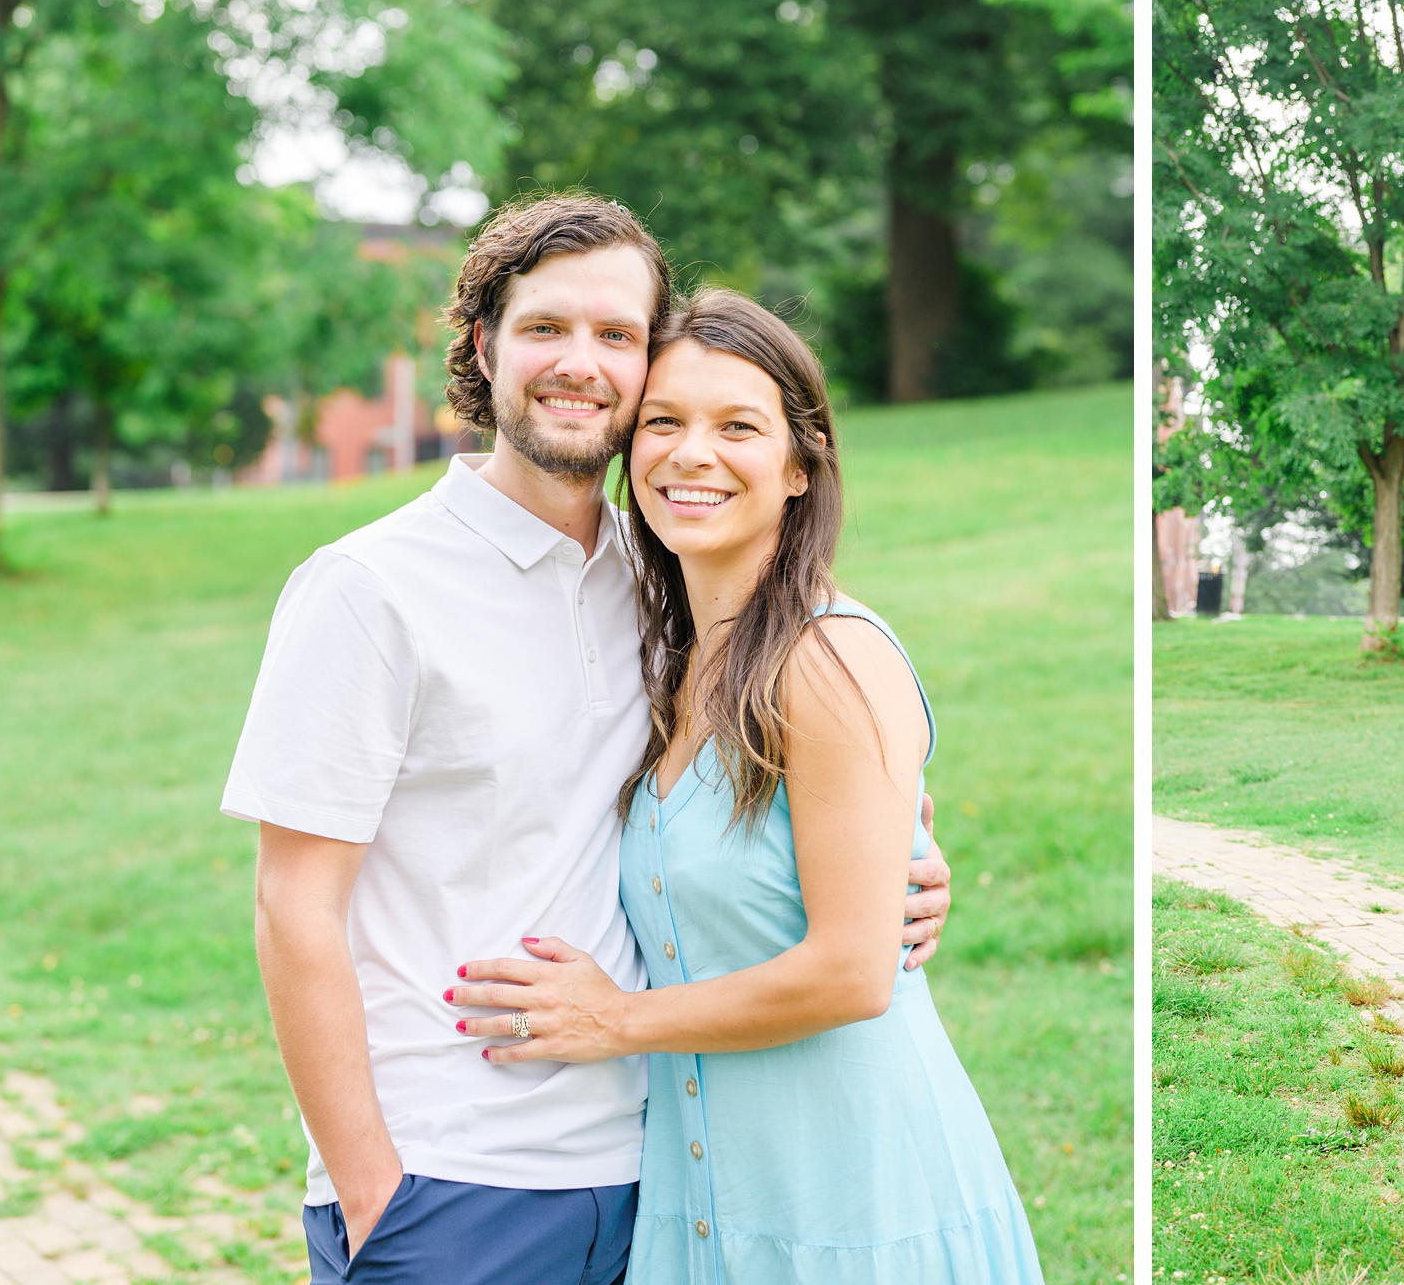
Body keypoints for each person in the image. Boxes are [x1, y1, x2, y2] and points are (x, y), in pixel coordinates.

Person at [222, 195, 955, 1284]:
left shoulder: (662, 573)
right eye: (546, 328)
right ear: (484, 344)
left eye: (617, 335)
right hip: (453, 1185)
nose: (582, 363)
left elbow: (784, 779)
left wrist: (912, 858)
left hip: (666, 1174)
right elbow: (294, 906)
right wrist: (374, 1191)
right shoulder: (368, 589)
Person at [445, 288, 1046, 1284]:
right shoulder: (672, 663)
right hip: (712, 1212)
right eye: (665, 423)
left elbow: (856, 972)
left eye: (738, 427)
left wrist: (611, 1020)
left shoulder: (831, 660)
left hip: (858, 1210)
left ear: (799, 464)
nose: (691, 454)